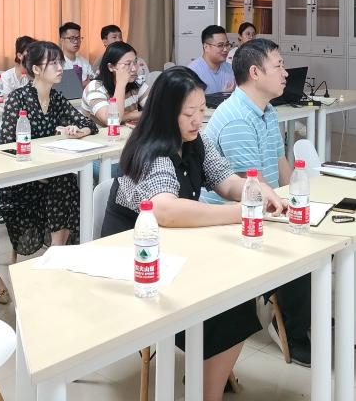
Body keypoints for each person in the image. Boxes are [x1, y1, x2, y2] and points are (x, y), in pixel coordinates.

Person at [103, 66, 287, 401]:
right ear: (165, 113)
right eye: (189, 113)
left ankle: (207, 385)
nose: (197, 120)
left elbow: (225, 180)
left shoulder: (193, 141)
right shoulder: (153, 152)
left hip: (174, 250)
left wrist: (255, 190)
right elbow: (166, 211)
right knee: (226, 306)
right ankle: (207, 389)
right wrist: (239, 212)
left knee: (236, 296)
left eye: (202, 111)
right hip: (138, 261)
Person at [201, 38, 312, 366]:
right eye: (278, 66)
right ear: (254, 72)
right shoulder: (237, 118)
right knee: (297, 247)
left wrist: (298, 202)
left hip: (261, 206)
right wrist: (286, 211)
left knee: (308, 231)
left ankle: (300, 317)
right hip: (230, 217)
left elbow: (281, 166)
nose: (285, 73)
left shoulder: (265, 111)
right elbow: (252, 186)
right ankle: (290, 328)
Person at [0, 41, 99, 256]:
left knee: (65, 179)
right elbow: (7, 145)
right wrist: (50, 144)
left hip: (52, 172)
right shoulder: (18, 98)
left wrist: (78, 131)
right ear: (36, 69)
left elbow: (89, 124)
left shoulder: (56, 98)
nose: (60, 68)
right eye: (53, 63)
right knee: (65, 181)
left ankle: (56, 250)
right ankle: (58, 250)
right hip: (22, 177)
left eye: (60, 62)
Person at [80, 41, 151, 127]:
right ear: (111, 67)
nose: (134, 69)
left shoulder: (137, 83)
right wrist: (121, 84)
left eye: (135, 62)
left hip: (124, 134)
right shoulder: (94, 87)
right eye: (127, 64)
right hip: (97, 135)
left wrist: (125, 116)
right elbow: (112, 120)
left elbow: (157, 110)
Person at [188, 25, 235, 94]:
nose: (225, 49)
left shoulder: (230, 69)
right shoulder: (193, 72)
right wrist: (221, 95)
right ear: (206, 47)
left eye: (227, 44)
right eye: (220, 45)